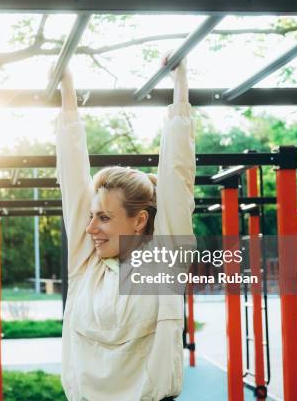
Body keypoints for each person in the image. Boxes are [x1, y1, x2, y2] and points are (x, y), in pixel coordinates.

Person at [55, 56, 195, 401]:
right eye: (91, 215)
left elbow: (177, 177)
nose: (90, 228)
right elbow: (72, 178)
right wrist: (67, 88)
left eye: (104, 217)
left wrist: (180, 83)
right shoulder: (85, 263)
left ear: (140, 220)